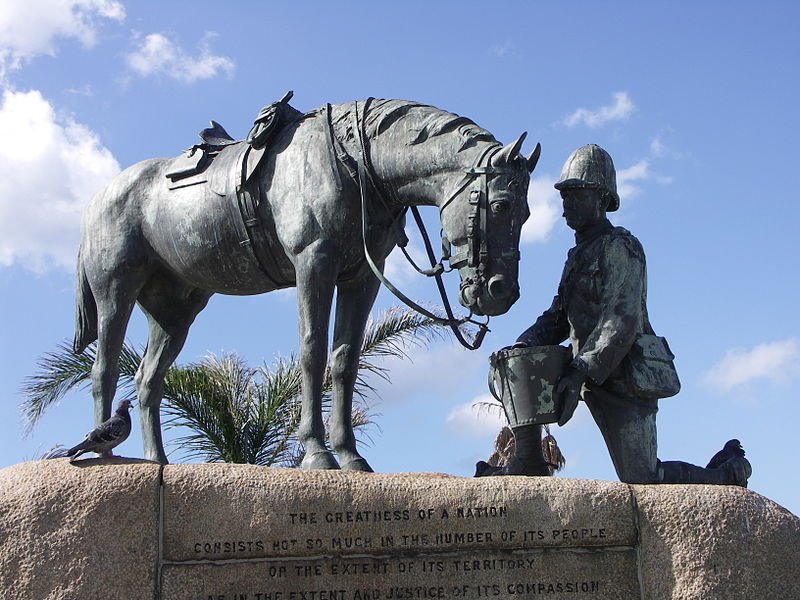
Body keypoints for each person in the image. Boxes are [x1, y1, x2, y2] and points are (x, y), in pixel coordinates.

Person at [476, 144, 751, 486]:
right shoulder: (578, 255)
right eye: (565, 197)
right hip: (583, 369)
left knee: (642, 476)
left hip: (623, 376)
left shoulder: (622, 247)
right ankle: (527, 459)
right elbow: (559, 316)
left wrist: (579, 372)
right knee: (513, 364)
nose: (567, 207)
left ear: (603, 199)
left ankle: (725, 474)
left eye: (577, 195)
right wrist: (524, 345)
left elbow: (620, 322)